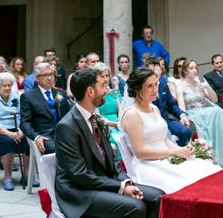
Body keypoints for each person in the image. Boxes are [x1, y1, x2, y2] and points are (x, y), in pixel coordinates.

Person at [55, 67, 164, 218]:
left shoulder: (96, 119)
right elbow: (79, 174)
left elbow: (113, 160)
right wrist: (120, 187)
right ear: (90, 91)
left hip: (103, 182)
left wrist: (124, 182)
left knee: (158, 197)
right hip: (80, 192)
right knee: (136, 207)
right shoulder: (67, 126)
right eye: (103, 86)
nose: (107, 90)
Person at [120, 67, 220, 194]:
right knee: (189, 183)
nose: (155, 89)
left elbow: (164, 138)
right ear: (137, 89)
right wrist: (173, 152)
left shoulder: (153, 108)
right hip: (149, 164)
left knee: (207, 169)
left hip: (166, 157)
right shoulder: (132, 114)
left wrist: (182, 151)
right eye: (149, 86)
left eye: (156, 84)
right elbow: (140, 152)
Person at [177, 59, 223, 166]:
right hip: (192, 114)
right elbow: (181, 107)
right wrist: (184, 118)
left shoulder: (199, 84)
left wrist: (207, 86)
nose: (195, 70)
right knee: (215, 112)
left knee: (217, 111)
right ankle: (218, 152)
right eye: (191, 68)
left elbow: (215, 99)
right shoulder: (180, 87)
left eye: (196, 68)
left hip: (205, 111)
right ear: (185, 71)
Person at [0, 72, 33, 190]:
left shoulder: (17, 96)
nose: (7, 88)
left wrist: (21, 130)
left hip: (15, 128)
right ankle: (7, 177)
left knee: (28, 140)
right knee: (8, 141)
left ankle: (27, 175)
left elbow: (23, 116)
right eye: (4, 85)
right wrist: (10, 134)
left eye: (9, 85)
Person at [20, 63, 71, 154]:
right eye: (45, 75)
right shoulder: (28, 96)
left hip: (63, 133)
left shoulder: (61, 93)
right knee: (59, 151)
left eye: (51, 74)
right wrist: (36, 137)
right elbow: (25, 123)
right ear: (37, 78)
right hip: (45, 135)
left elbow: (69, 115)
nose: (49, 78)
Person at [141, 57, 192, 146]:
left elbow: (171, 105)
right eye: (152, 70)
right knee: (165, 135)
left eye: (157, 69)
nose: (155, 72)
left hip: (165, 119)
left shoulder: (163, 83)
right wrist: (155, 80)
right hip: (151, 122)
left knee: (186, 131)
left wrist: (182, 115)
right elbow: (152, 104)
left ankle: (179, 155)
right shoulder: (144, 86)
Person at [94, 63, 124, 157]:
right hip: (106, 127)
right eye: (102, 76)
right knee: (120, 140)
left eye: (107, 76)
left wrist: (116, 88)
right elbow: (97, 117)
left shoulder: (114, 92)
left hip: (119, 124)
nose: (105, 79)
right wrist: (113, 124)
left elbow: (122, 109)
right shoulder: (94, 93)